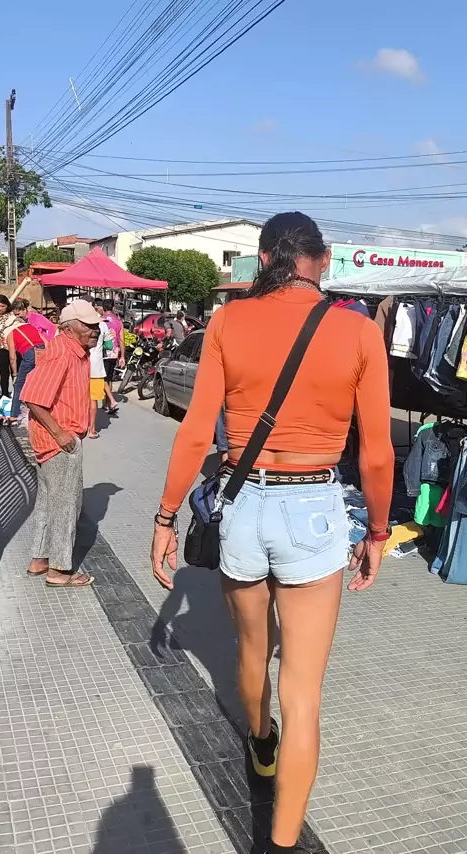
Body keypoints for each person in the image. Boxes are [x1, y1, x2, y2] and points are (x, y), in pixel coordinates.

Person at [150, 212, 394, 854]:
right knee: (304, 695)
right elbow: (375, 454)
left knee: (251, 652)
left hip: (243, 501)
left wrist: (165, 516)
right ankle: (280, 845)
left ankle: (261, 742)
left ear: (262, 260)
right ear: (325, 259)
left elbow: (196, 431)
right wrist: (376, 531)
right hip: (314, 504)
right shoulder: (359, 330)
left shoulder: (228, 322)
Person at [21, 299, 100, 588]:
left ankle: (40, 559)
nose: (95, 330)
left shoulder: (76, 351)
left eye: (96, 325)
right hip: (59, 442)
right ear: (69, 328)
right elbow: (32, 397)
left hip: (57, 440)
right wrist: (60, 434)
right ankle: (59, 569)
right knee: (66, 506)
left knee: (48, 501)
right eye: (88, 325)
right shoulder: (61, 352)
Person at [3, 315, 46, 424]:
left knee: (19, 385)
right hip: (43, 353)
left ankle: (13, 415)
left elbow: (12, 357)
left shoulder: (11, 333)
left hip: (30, 354)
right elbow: (46, 341)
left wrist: (15, 374)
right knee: (40, 384)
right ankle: (43, 413)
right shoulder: (31, 326)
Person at [95, 298, 125, 412]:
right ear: (113, 308)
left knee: (102, 377)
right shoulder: (118, 321)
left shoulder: (99, 320)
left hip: (101, 352)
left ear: (103, 307)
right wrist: (122, 356)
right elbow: (121, 340)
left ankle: (109, 402)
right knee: (109, 378)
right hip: (114, 352)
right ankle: (107, 403)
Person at [88, 316, 110, 438]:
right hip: (96, 366)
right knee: (93, 400)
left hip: (81, 363)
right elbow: (110, 345)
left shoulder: (79, 323)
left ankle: (81, 425)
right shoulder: (102, 325)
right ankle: (91, 429)